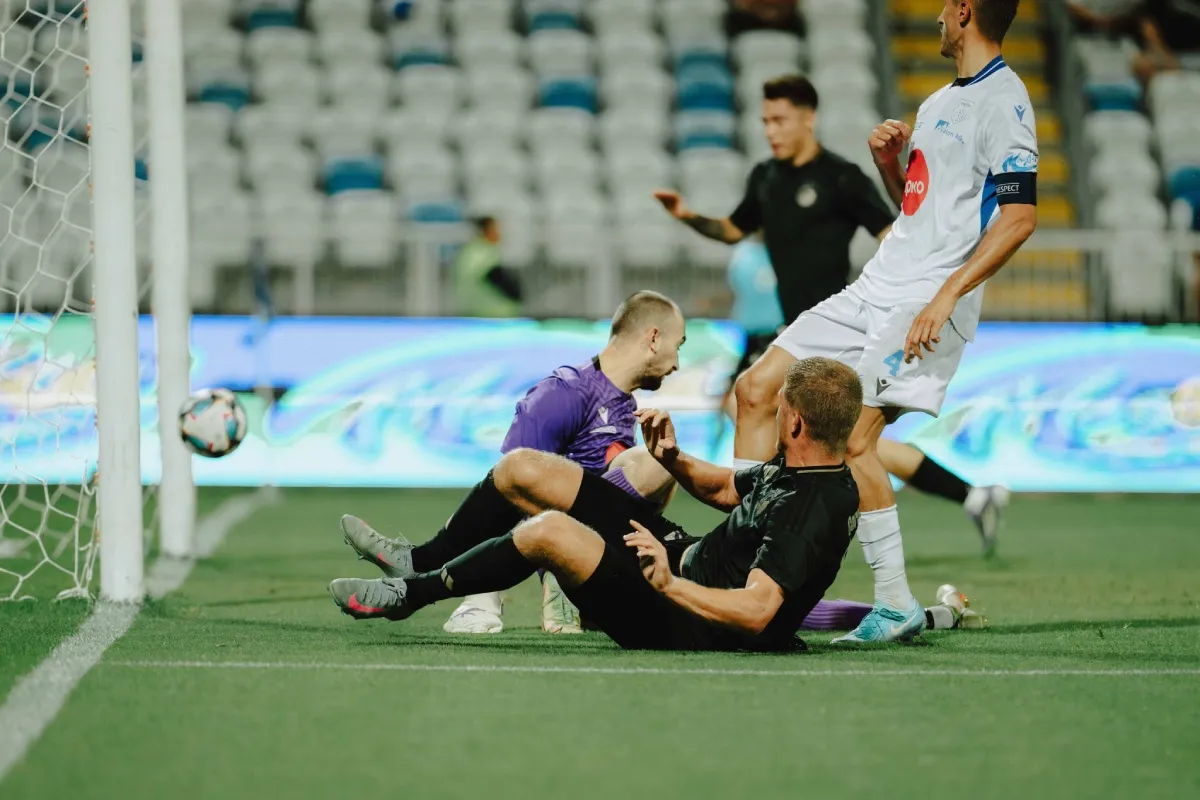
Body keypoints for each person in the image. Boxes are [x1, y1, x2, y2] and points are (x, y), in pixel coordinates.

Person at [720, 0, 1039, 643]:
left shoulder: (1006, 101)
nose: (938, 19)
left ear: (966, 12)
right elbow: (915, 211)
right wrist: (890, 166)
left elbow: (1019, 217)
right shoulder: (939, 104)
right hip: (874, 286)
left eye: (947, 9)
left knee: (856, 439)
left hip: (923, 299)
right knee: (754, 391)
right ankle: (743, 565)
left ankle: (894, 604)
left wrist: (946, 296)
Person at [658, 73, 1010, 554]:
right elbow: (732, 229)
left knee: (823, 433)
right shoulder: (766, 178)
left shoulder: (841, 177)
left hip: (842, 332)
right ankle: (968, 495)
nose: (771, 130)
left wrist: (901, 301)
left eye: (780, 119)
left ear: (809, 118)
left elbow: (896, 234)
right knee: (815, 431)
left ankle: (760, 538)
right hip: (795, 332)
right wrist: (685, 216)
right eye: (765, 121)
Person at [328, 358, 870, 653]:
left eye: (779, 410)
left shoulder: (812, 508)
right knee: (524, 467)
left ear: (795, 421)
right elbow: (729, 490)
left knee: (548, 532)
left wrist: (668, 585)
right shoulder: (805, 463)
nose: (774, 416)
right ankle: (419, 558)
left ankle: (409, 594)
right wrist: (673, 458)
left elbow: (757, 613)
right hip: (681, 558)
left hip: (683, 618)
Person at [440, 290, 688, 634]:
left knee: (663, 460)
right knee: (655, 462)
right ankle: (494, 595)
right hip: (549, 538)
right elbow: (506, 487)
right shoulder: (564, 391)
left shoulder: (626, 406)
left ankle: (586, 591)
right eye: (680, 344)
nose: (678, 362)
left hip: (600, 551)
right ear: (654, 338)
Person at [452, 216, 523, 318]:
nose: (500, 233)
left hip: (472, 314)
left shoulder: (469, 251)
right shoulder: (481, 253)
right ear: (487, 230)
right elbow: (497, 278)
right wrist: (516, 298)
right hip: (488, 315)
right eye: (496, 228)